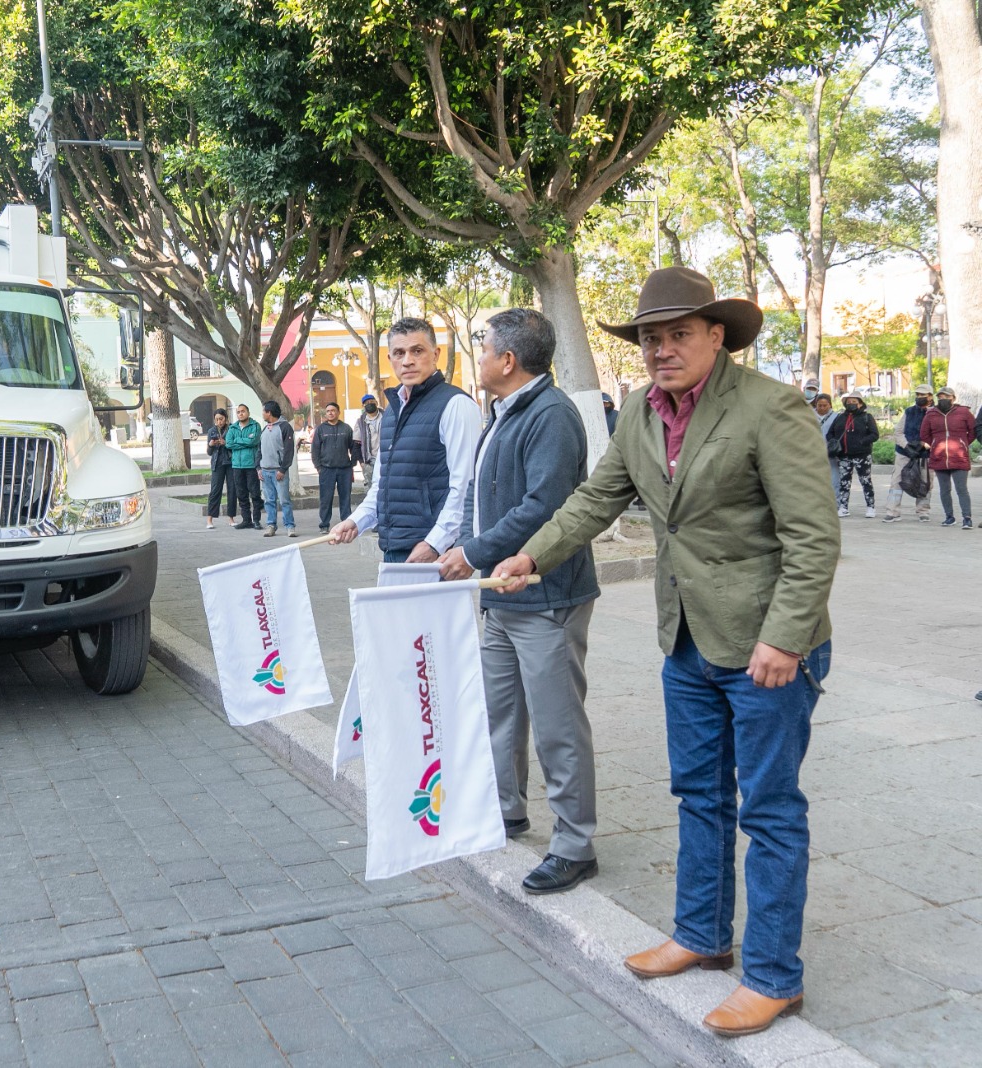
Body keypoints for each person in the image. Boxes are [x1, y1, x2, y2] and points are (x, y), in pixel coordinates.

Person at [489, 267, 837, 1038]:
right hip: (685, 637)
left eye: (679, 334)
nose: (662, 349)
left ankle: (775, 976)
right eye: (651, 337)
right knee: (699, 796)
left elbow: (812, 537)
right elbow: (593, 499)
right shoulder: (642, 411)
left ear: (719, 336)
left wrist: (783, 635)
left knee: (770, 811)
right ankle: (703, 937)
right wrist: (532, 556)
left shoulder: (770, 408)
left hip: (767, 647)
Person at [438, 309, 601, 895]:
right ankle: (505, 810)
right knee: (498, 711)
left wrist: (474, 551)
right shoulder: (505, 412)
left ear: (507, 361)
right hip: (500, 595)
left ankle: (575, 843)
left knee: (556, 721)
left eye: (482, 347)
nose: (477, 355)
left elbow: (544, 506)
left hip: (545, 593)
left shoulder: (552, 416)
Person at [330, 318, 481, 562]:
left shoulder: (456, 405)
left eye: (417, 351)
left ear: (436, 354)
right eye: (399, 353)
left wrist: (435, 543)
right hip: (394, 548)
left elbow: (466, 488)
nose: (408, 360)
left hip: (436, 554)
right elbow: (382, 484)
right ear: (390, 359)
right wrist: (356, 521)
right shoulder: (391, 411)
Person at [921, 385, 975, 529]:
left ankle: (967, 518)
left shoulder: (964, 412)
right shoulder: (931, 414)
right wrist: (934, 444)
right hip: (939, 457)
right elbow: (924, 433)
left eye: (946, 397)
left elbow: (973, 430)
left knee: (961, 489)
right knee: (944, 490)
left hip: (959, 456)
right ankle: (949, 517)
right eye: (940, 397)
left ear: (953, 398)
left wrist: (962, 443)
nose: (943, 399)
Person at [883, 384, 933, 523]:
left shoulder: (935, 413)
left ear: (930, 396)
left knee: (926, 482)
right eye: (917, 395)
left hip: (925, 454)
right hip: (904, 452)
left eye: (923, 395)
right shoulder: (909, 411)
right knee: (896, 481)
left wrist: (925, 446)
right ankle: (892, 511)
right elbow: (898, 432)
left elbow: (936, 434)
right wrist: (907, 446)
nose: (920, 397)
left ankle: (923, 511)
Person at [825, 391, 878, 518]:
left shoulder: (867, 417)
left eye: (854, 402)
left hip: (862, 455)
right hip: (844, 455)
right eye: (848, 402)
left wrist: (861, 442)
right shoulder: (839, 418)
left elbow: (874, 435)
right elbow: (830, 433)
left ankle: (870, 507)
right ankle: (843, 507)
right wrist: (834, 442)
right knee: (844, 482)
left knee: (865, 481)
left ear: (860, 404)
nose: (851, 404)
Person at [312, 402, 356, 533]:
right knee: (326, 498)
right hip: (326, 469)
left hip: (344, 469)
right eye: (328, 411)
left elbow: (353, 447)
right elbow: (315, 450)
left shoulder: (346, 428)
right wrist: (318, 467)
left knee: (345, 497)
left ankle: (346, 524)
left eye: (333, 410)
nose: (330, 413)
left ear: (338, 412)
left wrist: (352, 464)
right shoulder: (320, 429)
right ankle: (324, 524)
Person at [258, 401, 298, 538]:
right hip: (265, 471)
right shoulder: (265, 429)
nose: (262, 413)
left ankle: (290, 526)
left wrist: (283, 469)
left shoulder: (285, 427)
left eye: (264, 411)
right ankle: (271, 525)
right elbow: (259, 450)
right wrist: (259, 468)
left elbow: (288, 451)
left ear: (269, 413)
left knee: (284, 500)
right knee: (269, 500)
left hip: (278, 471)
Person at [225, 404, 263, 530]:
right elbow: (229, 444)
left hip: (251, 465)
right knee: (241, 494)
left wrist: (238, 440)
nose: (240, 414)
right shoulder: (233, 427)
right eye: (238, 412)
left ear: (248, 412)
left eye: (243, 411)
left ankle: (256, 520)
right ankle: (246, 520)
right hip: (237, 466)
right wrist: (245, 441)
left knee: (255, 493)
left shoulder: (255, 425)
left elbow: (254, 441)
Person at [203, 409, 235, 530]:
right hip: (217, 463)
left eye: (221, 419)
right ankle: (210, 519)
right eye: (216, 419)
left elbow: (235, 446)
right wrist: (211, 445)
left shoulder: (232, 429)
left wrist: (226, 443)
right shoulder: (211, 431)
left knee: (232, 490)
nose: (219, 422)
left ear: (226, 418)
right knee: (215, 490)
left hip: (231, 463)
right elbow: (209, 452)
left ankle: (231, 518)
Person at [354, 393, 383, 488]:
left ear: (376, 402)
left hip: (385, 459)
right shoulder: (360, 422)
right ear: (363, 406)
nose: (369, 404)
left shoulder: (387, 417)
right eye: (366, 403)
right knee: (370, 488)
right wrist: (361, 462)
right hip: (369, 462)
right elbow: (356, 443)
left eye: (372, 401)